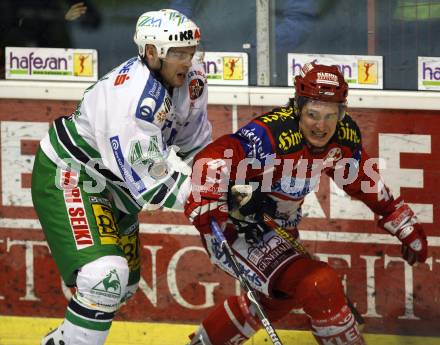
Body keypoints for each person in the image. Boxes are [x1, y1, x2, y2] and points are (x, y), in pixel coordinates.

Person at [184, 62, 428, 345]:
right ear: (298, 108)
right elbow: (215, 156)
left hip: (279, 228)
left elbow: (364, 180)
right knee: (318, 285)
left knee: (278, 300)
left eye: (330, 115)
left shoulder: (343, 137)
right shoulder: (274, 134)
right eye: (312, 114)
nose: (321, 126)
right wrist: (209, 200)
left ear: (342, 112)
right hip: (234, 227)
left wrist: (402, 221)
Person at [31, 8, 211, 345]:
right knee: (103, 277)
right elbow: (155, 186)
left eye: (190, 52)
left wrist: (225, 183)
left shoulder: (192, 81)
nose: (187, 62)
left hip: (115, 188)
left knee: (122, 287)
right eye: (177, 53)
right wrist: (212, 196)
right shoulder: (132, 99)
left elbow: (196, 146)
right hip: (73, 176)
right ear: (152, 52)